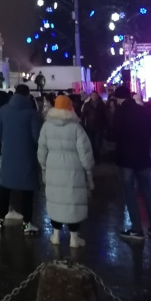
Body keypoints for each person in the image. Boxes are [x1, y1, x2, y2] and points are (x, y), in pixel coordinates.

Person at [38, 95, 95, 248]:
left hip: (53, 167)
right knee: (72, 202)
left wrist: (43, 166)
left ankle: (55, 235)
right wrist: (88, 170)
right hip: (73, 169)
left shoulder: (46, 126)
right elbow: (85, 151)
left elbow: (41, 150)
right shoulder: (76, 127)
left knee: (56, 201)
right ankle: (74, 238)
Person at [108, 86, 151, 240]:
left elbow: (114, 134)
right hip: (143, 157)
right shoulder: (144, 112)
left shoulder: (120, 112)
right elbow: (150, 132)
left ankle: (136, 229)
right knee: (147, 191)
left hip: (126, 159)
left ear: (118, 98)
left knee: (129, 193)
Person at [0, 84, 42, 235]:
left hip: (8, 154)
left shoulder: (4, 110)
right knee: (27, 190)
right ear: (27, 96)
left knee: (5, 187)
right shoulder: (32, 114)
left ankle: (0, 219)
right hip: (27, 155)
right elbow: (36, 137)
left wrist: (6, 143)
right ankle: (27, 225)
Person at [80, 91, 107, 159]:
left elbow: (104, 116)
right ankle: (93, 157)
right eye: (93, 95)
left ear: (97, 96)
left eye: (95, 95)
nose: (94, 96)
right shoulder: (87, 105)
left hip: (98, 126)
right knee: (91, 142)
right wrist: (82, 124)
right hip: (90, 126)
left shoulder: (101, 104)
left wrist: (105, 126)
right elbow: (83, 115)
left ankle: (96, 157)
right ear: (91, 96)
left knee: (97, 143)